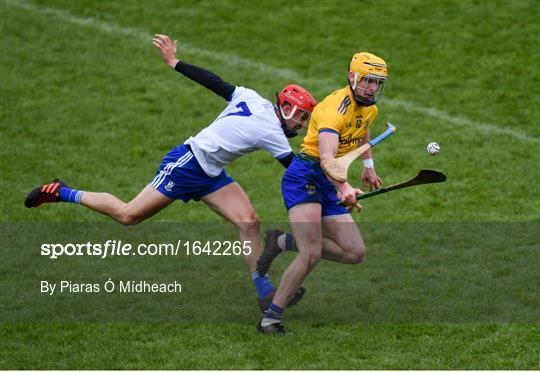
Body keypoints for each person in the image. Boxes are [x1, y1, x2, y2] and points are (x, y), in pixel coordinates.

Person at [24, 34, 317, 313]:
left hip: (211, 173)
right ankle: (62, 191)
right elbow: (295, 172)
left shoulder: (253, 98)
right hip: (187, 164)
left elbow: (214, 82)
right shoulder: (272, 132)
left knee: (250, 222)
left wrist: (175, 62)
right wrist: (335, 191)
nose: (303, 125)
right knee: (129, 216)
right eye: (302, 117)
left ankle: (264, 291)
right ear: (288, 109)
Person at [256, 52, 389, 334]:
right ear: (352, 77)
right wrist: (343, 187)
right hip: (305, 175)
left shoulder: (369, 107)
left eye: (377, 83)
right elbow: (327, 158)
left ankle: (280, 242)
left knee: (355, 252)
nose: (372, 88)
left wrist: (368, 165)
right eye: (368, 81)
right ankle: (270, 319)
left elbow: (362, 131)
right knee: (312, 253)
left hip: (329, 180)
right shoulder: (332, 111)